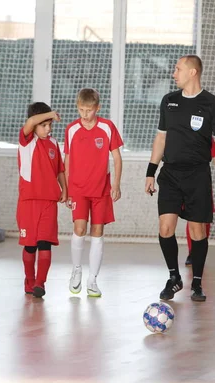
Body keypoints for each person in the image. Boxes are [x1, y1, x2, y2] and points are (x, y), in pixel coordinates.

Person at [145, 55, 215, 302]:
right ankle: (174, 277)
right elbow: (161, 138)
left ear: (193, 72)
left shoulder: (212, 104)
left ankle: (197, 282)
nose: (174, 74)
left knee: (197, 231)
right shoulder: (169, 101)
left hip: (197, 175)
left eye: (178, 69)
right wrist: (151, 172)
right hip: (170, 173)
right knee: (165, 228)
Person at [65, 88, 123, 297]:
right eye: (81, 110)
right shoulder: (71, 129)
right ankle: (77, 270)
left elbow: (116, 158)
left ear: (97, 108)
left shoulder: (107, 128)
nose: (85, 114)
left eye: (89, 110)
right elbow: (68, 159)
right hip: (78, 190)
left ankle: (93, 280)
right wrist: (67, 188)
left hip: (101, 189)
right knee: (79, 229)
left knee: (97, 232)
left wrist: (116, 184)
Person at [17, 102, 67, 298]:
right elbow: (30, 121)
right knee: (30, 245)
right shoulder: (27, 141)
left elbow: (60, 170)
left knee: (45, 243)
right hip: (29, 202)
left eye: (50, 125)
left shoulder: (53, 144)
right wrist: (49, 114)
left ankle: (40, 283)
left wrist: (65, 189)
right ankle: (29, 280)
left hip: (49, 202)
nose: (48, 129)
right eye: (44, 125)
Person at [184, 137, 215, 268]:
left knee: (205, 219)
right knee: (192, 219)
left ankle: (199, 250)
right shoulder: (182, 134)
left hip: (203, 181)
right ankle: (191, 252)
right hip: (185, 180)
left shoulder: (208, 138)